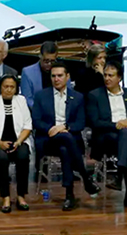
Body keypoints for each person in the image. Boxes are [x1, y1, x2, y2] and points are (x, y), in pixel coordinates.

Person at [32, 62, 100, 210]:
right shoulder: (41, 96)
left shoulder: (78, 97)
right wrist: (51, 129)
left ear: (67, 77)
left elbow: (80, 122)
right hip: (48, 139)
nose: (56, 79)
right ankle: (85, 178)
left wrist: (64, 127)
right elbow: (36, 121)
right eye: (53, 76)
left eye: (60, 75)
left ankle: (70, 194)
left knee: (65, 148)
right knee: (66, 140)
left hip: (69, 140)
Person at [86, 61, 127, 209]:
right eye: (105, 75)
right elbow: (94, 122)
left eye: (111, 75)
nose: (107, 78)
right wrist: (118, 125)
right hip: (106, 137)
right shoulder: (95, 95)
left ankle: (120, 176)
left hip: (126, 137)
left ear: (119, 78)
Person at [0, 74, 32, 213]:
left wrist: (19, 142)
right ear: (0, 87)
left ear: (16, 89)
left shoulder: (21, 100)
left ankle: (21, 196)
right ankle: (6, 197)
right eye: (6, 86)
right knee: (1, 158)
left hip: (18, 141)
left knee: (23, 156)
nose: (9, 90)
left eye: (12, 87)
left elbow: (27, 125)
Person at [21, 41, 58, 110]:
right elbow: (27, 99)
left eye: (52, 61)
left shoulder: (63, 72)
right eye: (46, 61)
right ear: (40, 56)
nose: (49, 64)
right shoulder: (27, 72)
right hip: (36, 112)